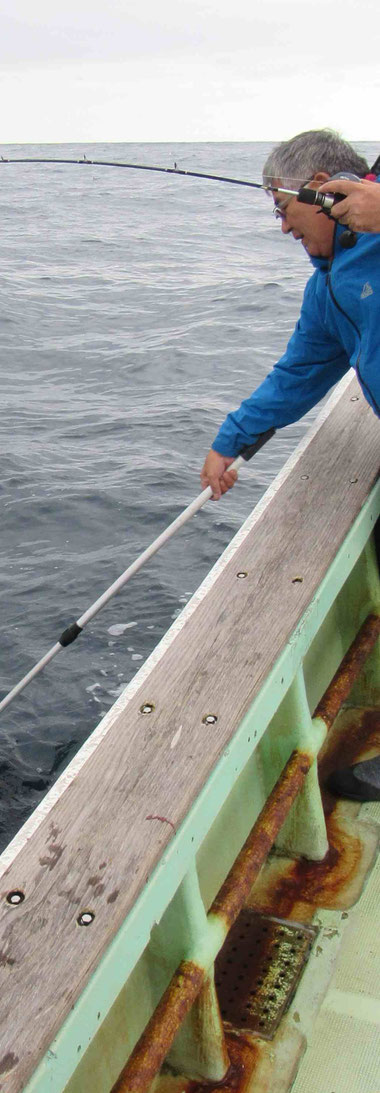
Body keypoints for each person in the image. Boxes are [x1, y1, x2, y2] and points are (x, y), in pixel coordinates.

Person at [201, 130, 380, 803]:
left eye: (284, 211)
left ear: (329, 191)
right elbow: (302, 370)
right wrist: (232, 439)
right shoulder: (330, 284)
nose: (281, 229)